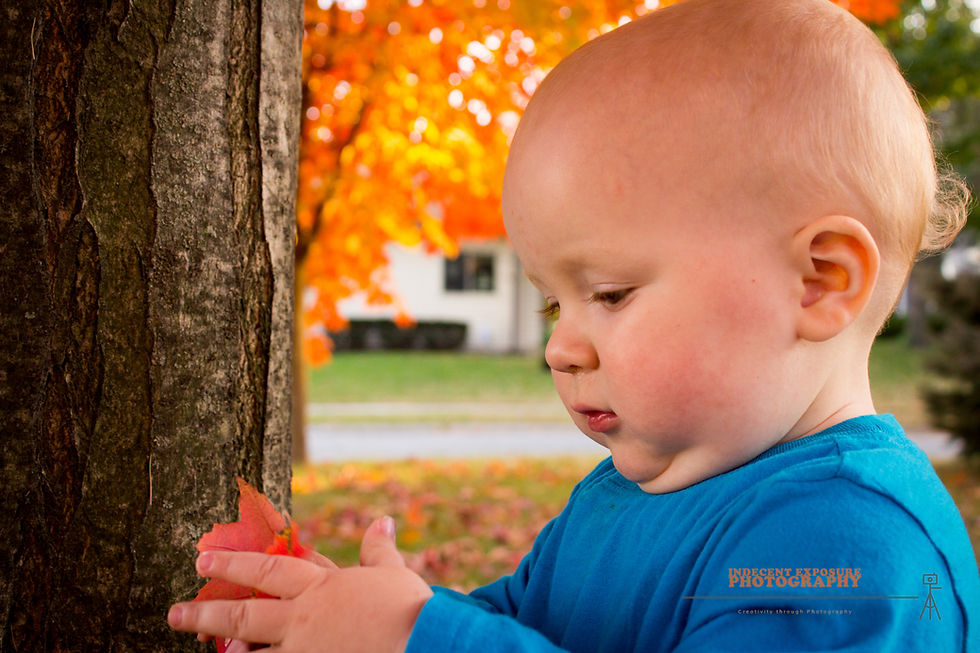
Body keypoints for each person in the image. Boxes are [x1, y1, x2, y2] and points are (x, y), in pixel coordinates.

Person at [168, 0, 979, 650]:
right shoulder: (630, 488)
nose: (560, 345)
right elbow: (524, 621)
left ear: (819, 281)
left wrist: (419, 640)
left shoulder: (853, 550)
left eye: (613, 292)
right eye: (554, 302)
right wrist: (349, 613)